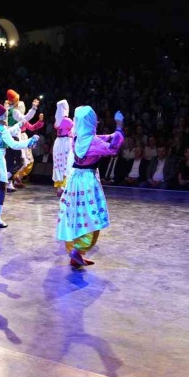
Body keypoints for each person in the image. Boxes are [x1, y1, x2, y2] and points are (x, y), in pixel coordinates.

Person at [57, 108, 125, 269]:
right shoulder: (93, 142)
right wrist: (119, 127)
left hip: (75, 180)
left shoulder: (76, 138)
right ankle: (79, 249)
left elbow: (101, 138)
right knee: (91, 217)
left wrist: (112, 134)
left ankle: (75, 255)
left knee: (75, 216)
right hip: (87, 181)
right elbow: (112, 148)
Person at [0, 103, 38, 228]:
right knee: (1, 189)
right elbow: (14, 145)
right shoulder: (3, 130)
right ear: (3, 116)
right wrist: (29, 142)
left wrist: (20, 124)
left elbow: (8, 132)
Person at [52, 100, 73, 196]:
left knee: (58, 163)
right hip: (66, 142)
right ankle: (64, 187)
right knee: (66, 163)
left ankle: (59, 188)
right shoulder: (67, 120)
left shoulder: (57, 120)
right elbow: (75, 130)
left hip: (58, 142)